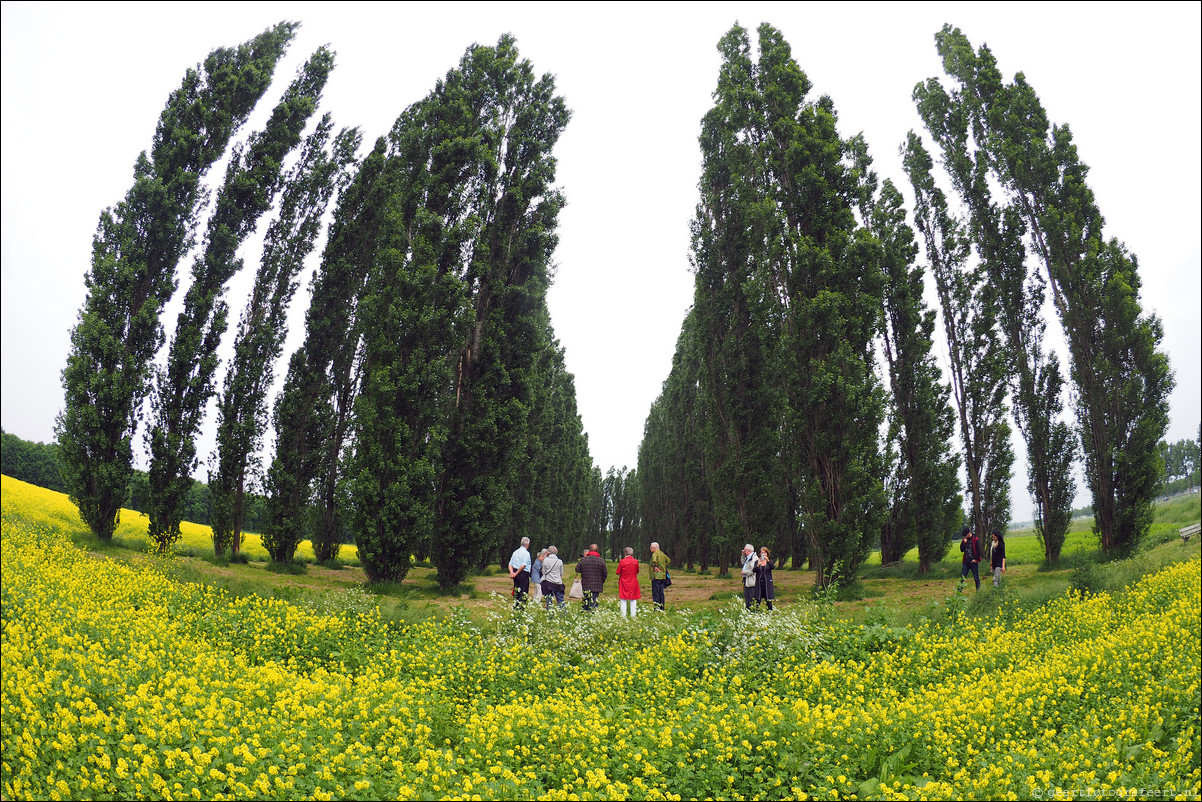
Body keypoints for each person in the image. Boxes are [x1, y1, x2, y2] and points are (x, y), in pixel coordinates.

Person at [576, 545, 607, 612]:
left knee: (585, 600)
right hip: (597, 585)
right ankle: (592, 615)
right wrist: (601, 581)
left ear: (589, 550)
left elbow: (577, 569)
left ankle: (584, 614)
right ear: (597, 551)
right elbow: (605, 573)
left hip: (585, 583)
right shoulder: (601, 561)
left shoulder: (583, 560)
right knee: (594, 601)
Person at [616, 546, 641, 616]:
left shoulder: (622, 562)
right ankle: (633, 615)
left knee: (623, 598)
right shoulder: (636, 562)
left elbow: (618, 572)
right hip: (633, 581)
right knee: (633, 598)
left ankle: (623, 615)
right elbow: (637, 571)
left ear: (625, 553)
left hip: (624, 581)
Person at [509, 536, 532, 606]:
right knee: (523, 592)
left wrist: (512, 573)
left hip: (515, 572)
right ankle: (521, 609)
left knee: (516, 591)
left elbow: (510, 564)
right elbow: (523, 565)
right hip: (522, 573)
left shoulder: (515, 552)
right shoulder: (526, 553)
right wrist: (516, 573)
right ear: (528, 544)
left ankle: (515, 606)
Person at [649, 541, 670, 610]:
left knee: (656, 593)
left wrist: (655, 566)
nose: (650, 549)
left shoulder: (655, 554)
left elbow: (653, 561)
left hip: (656, 576)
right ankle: (662, 607)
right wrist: (662, 566)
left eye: (651, 547)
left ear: (654, 548)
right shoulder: (662, 554)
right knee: (661, 593)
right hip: (663, 576)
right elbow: (668, 560)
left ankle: (656, 608)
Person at [959, 525, 982, 590]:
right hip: (966, 562)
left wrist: (976, 559)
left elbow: (979, 550)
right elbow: (961, 549)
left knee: (976, 577)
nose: (965, 537)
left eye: (966, 535)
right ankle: (959, 591)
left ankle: (978, 591)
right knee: (962, 577)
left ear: (969, 533)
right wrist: (964, 543)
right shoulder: (964, 540)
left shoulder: (975, 539)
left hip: (973, 562)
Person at [754, 546, 776, 611]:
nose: (763, 554)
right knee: (757, 599)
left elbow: (773, 567)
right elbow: (754, 570)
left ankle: (769, 611)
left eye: (764, 553)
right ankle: (756, 611)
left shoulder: (770, 562)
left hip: (767, 582)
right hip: (759, 583)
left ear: (767, 554)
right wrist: (758, 565)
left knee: (768, 599)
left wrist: (767, 560)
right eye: (762, 552)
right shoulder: (757, 561)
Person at [740, 543, 759, 609]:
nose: (744, 551)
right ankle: (748, 609)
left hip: (752, 581)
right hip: (746, 580)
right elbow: (743, 563)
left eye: (745, 550)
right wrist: (742, 555)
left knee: (751, 597)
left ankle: (752, 610)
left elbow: (752, 570)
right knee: (746, 596)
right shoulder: (748, 558)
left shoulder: (753, 558)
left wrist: (744, 572)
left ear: (748, 551)